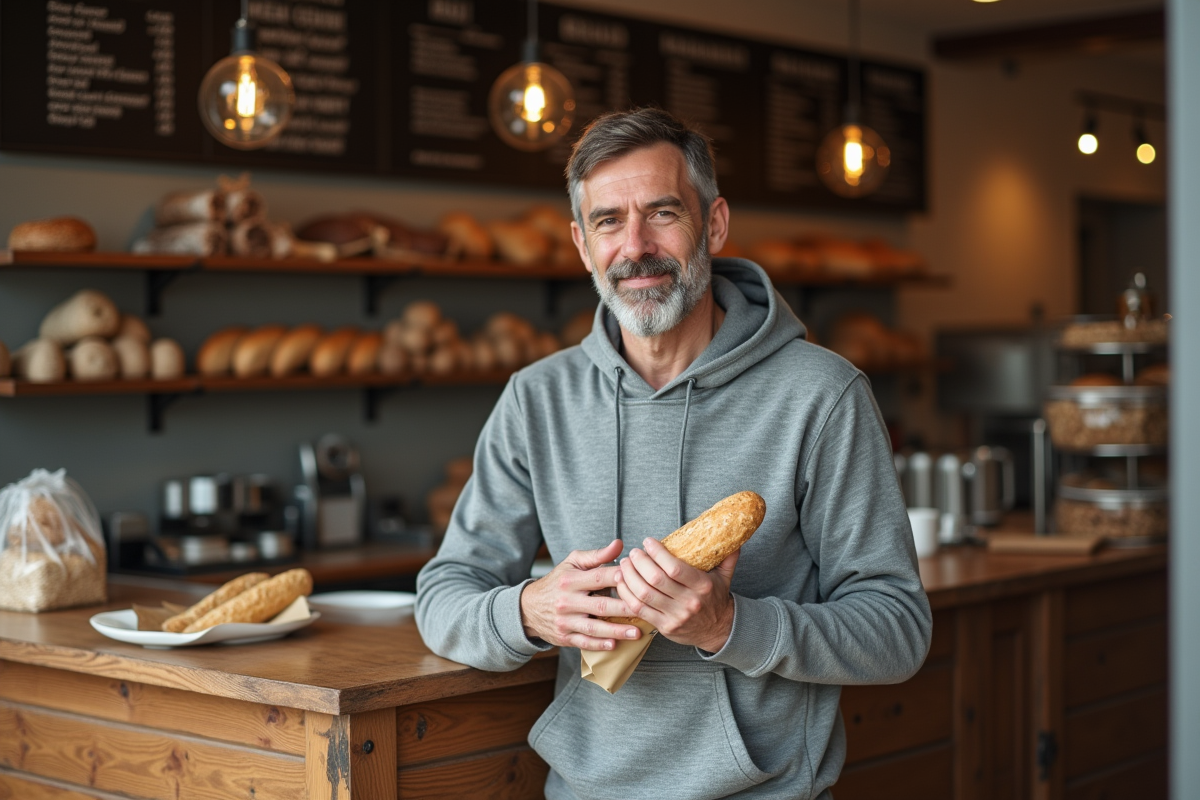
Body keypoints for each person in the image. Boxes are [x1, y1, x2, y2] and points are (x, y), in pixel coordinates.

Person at [415, 107, 932, 800]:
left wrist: (730, 625)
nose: (635, 247)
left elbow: (898, 631)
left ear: (713, 224)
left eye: (662, 213)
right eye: (608, 222)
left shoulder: (822, 396)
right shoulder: (536, 399)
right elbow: (443, 596)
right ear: (582, 245)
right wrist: (530, 611)